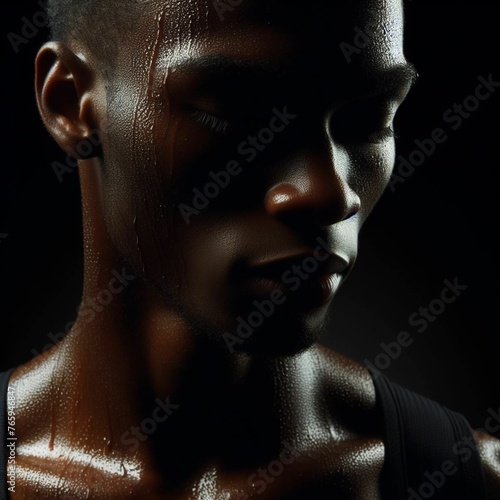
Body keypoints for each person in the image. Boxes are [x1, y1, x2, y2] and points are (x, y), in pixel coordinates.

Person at [1, 0, 499, 498]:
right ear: (69, 102)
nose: (327, 193)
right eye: (241, 113)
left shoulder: (471, 481)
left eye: (369, 118)